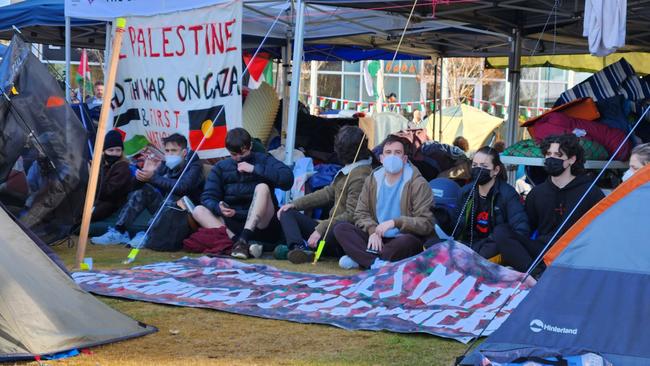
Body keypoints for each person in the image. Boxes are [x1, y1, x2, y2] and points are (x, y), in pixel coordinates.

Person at [498, 134, 605, 273]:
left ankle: (541, 272)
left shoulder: (590, 192)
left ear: (572, 159)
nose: (551, 158)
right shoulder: (537, 193)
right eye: (548, 154)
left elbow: (601, 232)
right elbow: (526, 228)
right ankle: (534, 273)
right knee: (501, 231)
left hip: (573, 254)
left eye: (558, 155)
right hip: (542, 250)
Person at [333, 135, 434, 269]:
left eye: (397, 153)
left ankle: (363, 259)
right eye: (388, 152)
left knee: (408, 242)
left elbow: (426, 223)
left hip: (401, 238)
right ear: (381, 158)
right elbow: (360, 213)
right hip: (376, 237)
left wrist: (395, 222)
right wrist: (373, 231)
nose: (392, 157)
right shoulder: (372, 179)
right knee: (341, 228)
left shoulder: (418, 184)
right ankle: (376, 262)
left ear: (404, 159)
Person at [192, 128, 294, 259]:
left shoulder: (264, 159)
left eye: (243, 153)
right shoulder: (221, 167)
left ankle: (243, 239)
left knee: (262, 187)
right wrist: (219, 207)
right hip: (233, 221)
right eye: (234, 154)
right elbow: (208, 197)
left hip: (262, 222)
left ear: (250, 146)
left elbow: (287, 179)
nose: (239, 158)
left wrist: (254, 169)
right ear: (228, 151)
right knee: (198, 210)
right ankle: (238, 243)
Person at [276, 126, 373, 264]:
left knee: (340, 228)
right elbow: (328, 193)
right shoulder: (350, 168)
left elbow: (352, 215)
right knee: (288, 212)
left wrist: (321, 228)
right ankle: (298, 249)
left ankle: (305, 249)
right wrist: (295, 204)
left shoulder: (360, 175)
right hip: (331, 227)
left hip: (343, 232)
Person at [91, 133, 204, 246]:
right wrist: (142, 177)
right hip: (166, 211)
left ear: (184, 153)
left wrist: (153, 177)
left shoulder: (195, 165)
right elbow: (134, 188)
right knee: (144, 190)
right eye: (167, 150)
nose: (169, 154)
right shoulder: (166, 164)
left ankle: (147, 234)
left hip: (186, 214)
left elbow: (182, 188)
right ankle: (119, 231)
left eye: (173, 150)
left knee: (172, 198)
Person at [433, 147, 529, 261]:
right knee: (431, 245)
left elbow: (521, 230)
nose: (478, 169)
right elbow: (456, 229)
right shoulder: (465, 192)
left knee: (486, 251)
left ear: (496, 170)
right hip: (468, 245)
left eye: (484, 166)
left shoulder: (508, 194)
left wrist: (490, 242)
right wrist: (443, 220)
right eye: (474, 165)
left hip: (493, 247)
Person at [91, 130, 132, 221]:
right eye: (111, 150)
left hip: (111, 203)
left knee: (85, 216)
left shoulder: (123, 167)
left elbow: (108, 192)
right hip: (95, 199)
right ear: (104, 151)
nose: (114, 153)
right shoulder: (99, 163)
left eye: (118, 150)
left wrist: (93, 175)